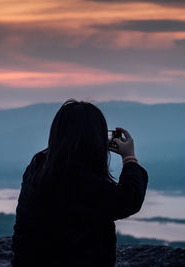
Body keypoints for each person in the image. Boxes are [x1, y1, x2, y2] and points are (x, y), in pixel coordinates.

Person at [11, 99, 148, 267]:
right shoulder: (84, 181)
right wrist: (129, 158)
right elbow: (128, 200)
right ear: (95, 138)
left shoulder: (38, 167)